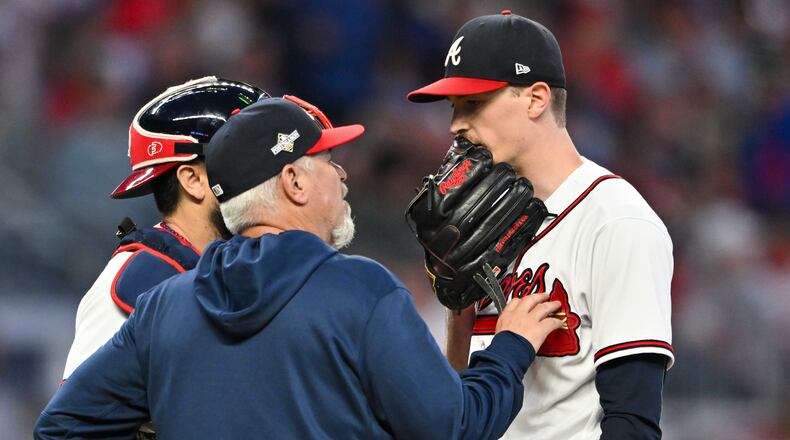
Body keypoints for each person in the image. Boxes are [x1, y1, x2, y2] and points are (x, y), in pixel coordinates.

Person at [34, 97, 564, 439]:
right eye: (328, 160)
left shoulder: (163, 307)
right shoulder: (362, 290)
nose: (342, 174)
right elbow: (454, 427)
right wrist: (511, 348)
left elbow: (62, 428)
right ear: (294, 181)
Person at [406, 10, 674, 439]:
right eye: (455, 108)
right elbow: (457, 417)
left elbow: (633, 423)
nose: (456, 124)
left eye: (474, 104)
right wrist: (460, 329)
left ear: (535, 98)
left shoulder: (616, 220)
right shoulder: (477, 224)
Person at [59, 77, 268, 438]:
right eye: (249, 158)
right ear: (193, 179)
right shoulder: (134, 283)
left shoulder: (250, 269)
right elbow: (75, 429)